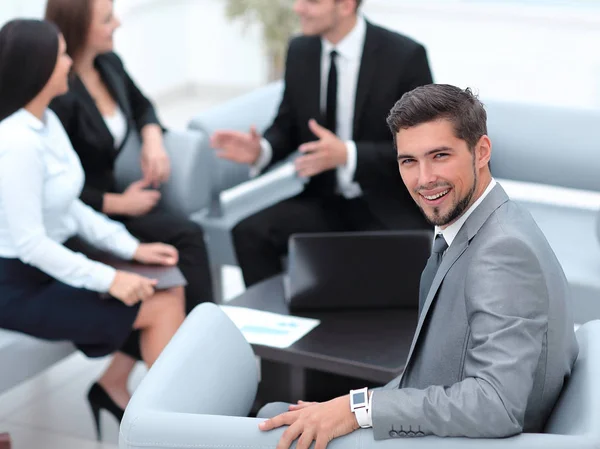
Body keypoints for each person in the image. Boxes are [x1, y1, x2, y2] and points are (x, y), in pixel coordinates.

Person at [256, 84, 578, 446]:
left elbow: (497, 404)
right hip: (437, 420)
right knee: (281, 413)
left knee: (270, 425)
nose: (424, 179)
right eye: (408, 161)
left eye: (440, 156)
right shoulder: (490, 224)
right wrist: (348, 406)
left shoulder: (502, 251)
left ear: (482, 151)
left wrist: (359, 409)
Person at [0, 19, 185, 439]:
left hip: (55, 263)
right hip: (17, 285)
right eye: (62, 55)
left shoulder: (46, 121)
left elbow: (73, 207)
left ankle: (154, 416)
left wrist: (131, 248)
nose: (69, 63)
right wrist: (111, 278)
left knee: (168, 285)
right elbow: (31, 244)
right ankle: (168, 432)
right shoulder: (17, 144)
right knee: (162, 305)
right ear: (39, 67)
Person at [211, 0, 433, 287]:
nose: (298, 8)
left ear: (345, 6)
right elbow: (288, 124)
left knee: (407, 261)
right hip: (324, 199)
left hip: (386, 201)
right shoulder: (301, 51)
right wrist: (261, 150)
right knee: (250, 233)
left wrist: (348, 155)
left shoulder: (404, 56)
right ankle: (280, 326)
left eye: (312, 1)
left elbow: (423, 146)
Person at [45, 0, 213, 314]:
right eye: (107, 19)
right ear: (79, 28)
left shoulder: (109, 64)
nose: (118, 24)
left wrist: (152, 140)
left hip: (118, 200)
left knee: (185, 234)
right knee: (185, 238)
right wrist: (117, 203)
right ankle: (198, 337)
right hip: (88, 209)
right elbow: (55, 185)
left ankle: (201, 331)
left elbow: (142, 105)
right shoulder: (57, 98)